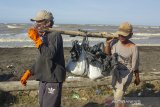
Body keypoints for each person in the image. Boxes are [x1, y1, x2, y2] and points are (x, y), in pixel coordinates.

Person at [20, 10, 66, 107]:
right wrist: (29, 72)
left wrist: (37, 40)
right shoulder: (44, 37)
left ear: (48, 23)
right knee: (42, 104)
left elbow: (50, 55)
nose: (37, 25)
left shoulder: (55, 35)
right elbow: (42, 59)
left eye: (39, 22)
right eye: (36, 22)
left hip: (53, 78)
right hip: (44, 78)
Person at [105, 22, 140, 107]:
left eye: (124, 35)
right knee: (120, 96)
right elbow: (108, 55)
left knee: (117, 98)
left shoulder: (133, 47)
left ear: (130, 35)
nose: (121, 36)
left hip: (126, 74)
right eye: (120, 34)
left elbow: (135, 65)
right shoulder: (116, 44)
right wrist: (107, 44)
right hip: (115, 72)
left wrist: (137, 77)